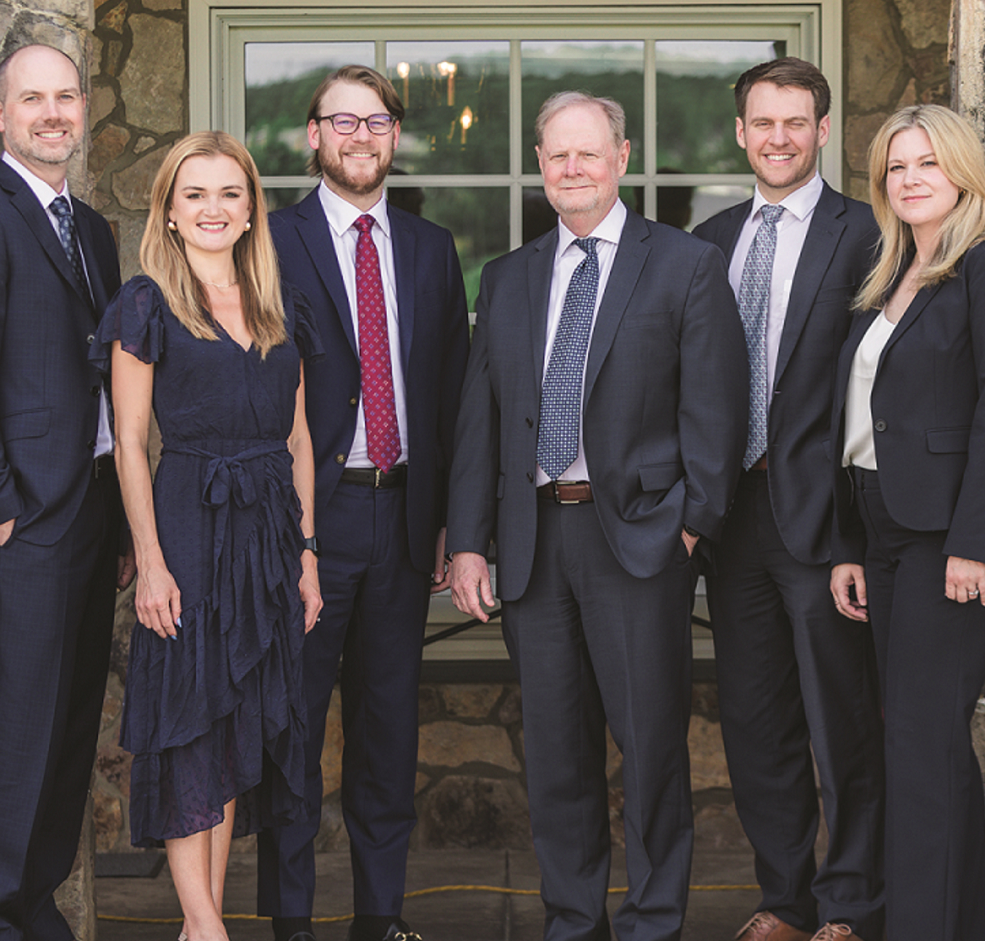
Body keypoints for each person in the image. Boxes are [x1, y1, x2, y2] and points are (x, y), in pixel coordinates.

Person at [448, 91, 746, 941]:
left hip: (640, 541)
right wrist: (470, 543)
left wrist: (690, 525)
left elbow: (716, 413)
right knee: (556, 753)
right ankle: (573, 919)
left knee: (651, 750)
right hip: (536, 543)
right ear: (539, 167)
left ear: (621, 158)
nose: (570, 168)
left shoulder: (683, 265)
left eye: (587, 153)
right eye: (555, 156)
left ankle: (652, 921)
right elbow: (482, 422)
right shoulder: (507, 278)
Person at [260, 65, 469, 941]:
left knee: (387, 737)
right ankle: (293, 926)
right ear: (312, 136)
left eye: (377, 121)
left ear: (394, 137)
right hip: (311, 518)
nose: (360, 135)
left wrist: (455, 522)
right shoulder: (268, 242)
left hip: (403, 518)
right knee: (294, 738)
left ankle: (380, 920)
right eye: (341, 120)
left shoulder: (429, 248)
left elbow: (454, 391)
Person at [827, 104, 985, 941]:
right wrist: (849, 543)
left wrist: (968, 543)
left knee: (920, 745)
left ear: (961, 172)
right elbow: (861, 421)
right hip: (881, 528)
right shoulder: (889, 273)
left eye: (927, 163)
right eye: (895, 167)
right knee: (918, 743)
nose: (910, 179)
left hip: (950, 536)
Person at [98, 130, 322, 941]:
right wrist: (151, 563)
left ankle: (203, 927)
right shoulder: (146, 302)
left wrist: (305, 553)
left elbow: (298, 438)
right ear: (168, 207)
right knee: (192, 724)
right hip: (191, 523)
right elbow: (128, 441)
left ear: (252, 206)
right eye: (195, 194)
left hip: (268, 534)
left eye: (230, 192)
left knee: (231, 729)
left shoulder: (275, 301)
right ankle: (208, 927)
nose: (213, 208)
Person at [0, 43, 132, 941]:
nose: (53, 113)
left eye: (65, 97)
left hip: (93, 506)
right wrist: (0, 514)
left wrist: (124, 517)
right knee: (24, 725)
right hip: (33, 520)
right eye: (32, 99)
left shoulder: (90, 229)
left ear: (82, 109)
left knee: (73, 715)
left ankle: (39, 902)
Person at [690, 58, 884, 941]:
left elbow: (877, 387)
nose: (777, 138)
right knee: (756, 720)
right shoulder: (710, 239)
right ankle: (784, 899)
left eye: (795, 123)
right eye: (762, 123)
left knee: (841, 722)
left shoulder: (868, 232)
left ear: (821, 130)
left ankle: (849, 905)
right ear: (741, 132)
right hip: (731, 518)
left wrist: (854, 534)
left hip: (824, 518)